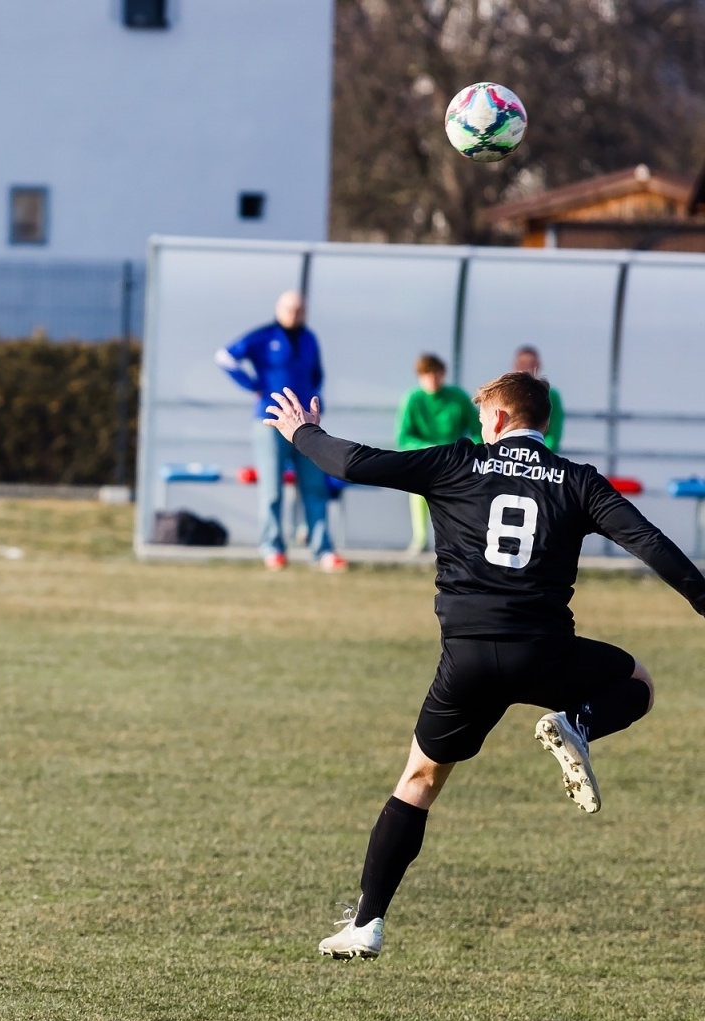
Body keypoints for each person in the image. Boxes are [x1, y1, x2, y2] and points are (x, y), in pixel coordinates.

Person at [261, 374, 705, 960]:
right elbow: (647, 541)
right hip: (544, 654)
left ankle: (367, 924)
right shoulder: (578, 482)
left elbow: (355, 463)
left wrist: (304, 433)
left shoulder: (457, 464)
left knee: (419, 782)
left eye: (481, 417)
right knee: (638, 682)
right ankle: (579, 725)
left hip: (466, 659)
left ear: (497, 419)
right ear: (541, 422)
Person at [216, 290, 345, 572]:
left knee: (314, 486)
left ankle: (322, 550)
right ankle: (272, 548)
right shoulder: (264, 336)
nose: (295, 315)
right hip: (270, 422)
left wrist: (315, 407)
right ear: (279, 309)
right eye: (290, 309)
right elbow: (224, 357)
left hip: (306, 426)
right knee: (272, 490)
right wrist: (252, 385)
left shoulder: (310, 339)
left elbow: (317, 376)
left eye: (300, 310)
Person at [395, 354, 479, 553]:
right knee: (418, 490)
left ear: (443, 374)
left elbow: (479, 430)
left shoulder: (458, 397)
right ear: (420, 376)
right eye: (426, 374)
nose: (432, 378)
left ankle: (458, 541)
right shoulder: (412, 399)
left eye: (436, 373)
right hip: (425, 460)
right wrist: (427, 447)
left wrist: (466, 450)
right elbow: (403, 437)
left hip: (456, 461)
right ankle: (420, 538)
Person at [513, 345, 563, 452]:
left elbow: (554, 434)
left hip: (540, 456)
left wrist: (540, 454)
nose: (526, 369)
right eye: (522, 364)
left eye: (531, 365)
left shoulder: (551, 396)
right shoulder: (503, 394)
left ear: (539, 365)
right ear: (515, 366)